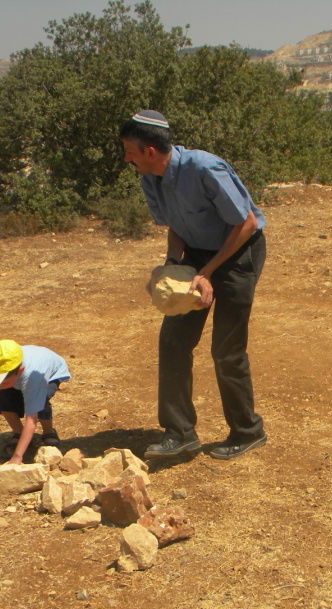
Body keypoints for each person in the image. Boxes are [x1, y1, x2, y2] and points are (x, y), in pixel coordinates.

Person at [119, 109, 267, 461]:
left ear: (149, 151)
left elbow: (246, 223)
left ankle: (248, 431)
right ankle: (180, 432)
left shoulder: (204, 168)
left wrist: (208, 273)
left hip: (238, 252)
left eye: (129, 152)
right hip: (198, 255)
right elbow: (176, 227)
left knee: (226, 350)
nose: (127, 159)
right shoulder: (150, 178)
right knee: (173, 340)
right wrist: (171, 267)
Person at [0, 339, 70, 464]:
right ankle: (20, 434)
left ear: (20, 371)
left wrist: (17, 456)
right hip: (21, 372)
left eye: (2, 382)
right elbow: (4, 381)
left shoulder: (34, 376)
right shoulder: (1, 363)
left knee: (40, 404)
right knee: (3, 400)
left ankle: (49, 432)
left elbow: (31, 420)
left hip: (50, 375)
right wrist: (4, 383)